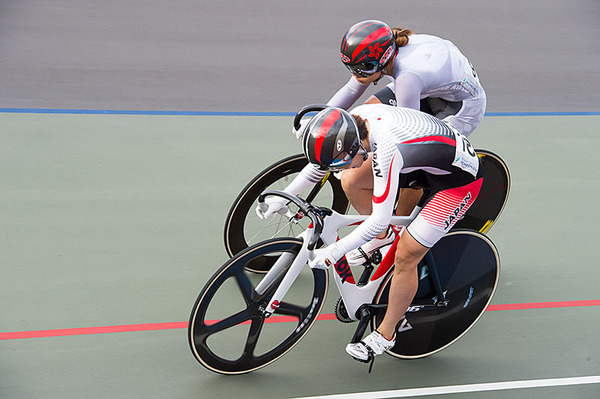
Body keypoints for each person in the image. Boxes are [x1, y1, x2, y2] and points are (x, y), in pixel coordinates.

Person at [274, 104, 484, 364]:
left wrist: (334, 252)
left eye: (342, 162)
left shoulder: (386, 148)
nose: (339, 168)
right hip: (423, 160)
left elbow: (377, 219)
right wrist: (287, 196)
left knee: (406, 256)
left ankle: (386, 334)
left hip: (458, 183)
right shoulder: (353, 124)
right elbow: (322, 164)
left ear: (353, 147)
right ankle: (385, 239)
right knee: (351, 181)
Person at [289, 20, 487, 266]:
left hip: (459, 107)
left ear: (380, 63)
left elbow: (405, 134)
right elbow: (352, 89)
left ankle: (394, 232)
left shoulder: (408, 77)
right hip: (431, 88)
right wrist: (322, 121)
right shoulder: (389, 52)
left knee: (408, 162)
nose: (355, 75)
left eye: (361, 70)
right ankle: (381, 230)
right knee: (365, 117)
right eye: (351, 68)